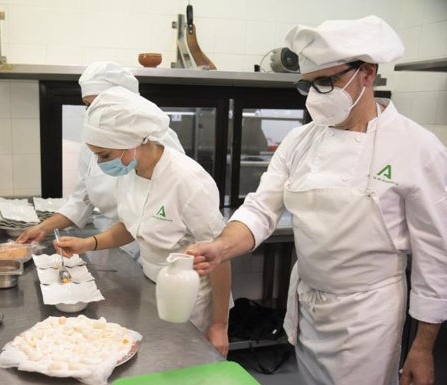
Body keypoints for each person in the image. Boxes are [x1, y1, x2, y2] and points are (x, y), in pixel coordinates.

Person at [186, 15, 447, 385]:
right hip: (308, 303)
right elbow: (262, 207)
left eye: (327, 81)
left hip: (367, 316)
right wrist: (223, 246)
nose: (315, 96)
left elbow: (435, 257)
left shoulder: (417, 148)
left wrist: (422, 348)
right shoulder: (300, 141)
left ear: (368, 73)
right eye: (307, 85)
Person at [54, 86, 232, 356]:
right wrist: (87, 244)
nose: (101, 164)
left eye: (104, 155)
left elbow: (221, 256)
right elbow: (131, 226)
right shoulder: (129, 172)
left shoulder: (187, 180)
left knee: (183, 366)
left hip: (190, 298)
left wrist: (219, 325)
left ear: (133, 142)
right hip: (151, 286)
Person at [17, 62, 184, 254]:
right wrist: (44, 227)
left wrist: (90, 243)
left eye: (97, 105)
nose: (91, 114)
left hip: (154, 245)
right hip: (112, 239)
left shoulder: (158, 143)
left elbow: (153, 215)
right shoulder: (96, 140)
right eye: (87, 106)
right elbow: (82, 199)